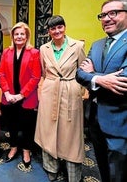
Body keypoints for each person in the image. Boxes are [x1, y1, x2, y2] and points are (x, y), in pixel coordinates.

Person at [76, 0, 127, 182]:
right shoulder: (97, 45)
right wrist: (100, 78)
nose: (106, 18)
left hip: (119, 122)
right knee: (103, 169)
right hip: (94, 118)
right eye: (103, 15)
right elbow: (80, 74)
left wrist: (93, 75)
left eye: (113, 13)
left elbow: (123, 82)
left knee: (119, 174)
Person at [34, 15, 86, 181]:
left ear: (64, 27)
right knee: (48, 131)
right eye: (53, 28)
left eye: (60, 27)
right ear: (49, 31)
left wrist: (79, 90)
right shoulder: (44, 49)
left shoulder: (77, 46)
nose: (57, 31)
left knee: (71, 135)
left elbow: (84, 73)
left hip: (70, 92)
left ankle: (73, 175)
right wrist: (42, 91)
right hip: (50, 92)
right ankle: (52, 169)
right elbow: (43, 73)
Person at [0, 22, 41, 168]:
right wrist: (7, 93)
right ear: (12, 36)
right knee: (12, 125)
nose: (19, 36)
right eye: (16, 34)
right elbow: (1, 73)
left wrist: (21, 95)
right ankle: (14, 147)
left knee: (27, 126)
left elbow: (36, 77)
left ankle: (26, 150)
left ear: (27, 36)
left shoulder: (34, 53)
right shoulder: (6, 52)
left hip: (26, 98)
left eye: (22, 34)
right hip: (9, 97)